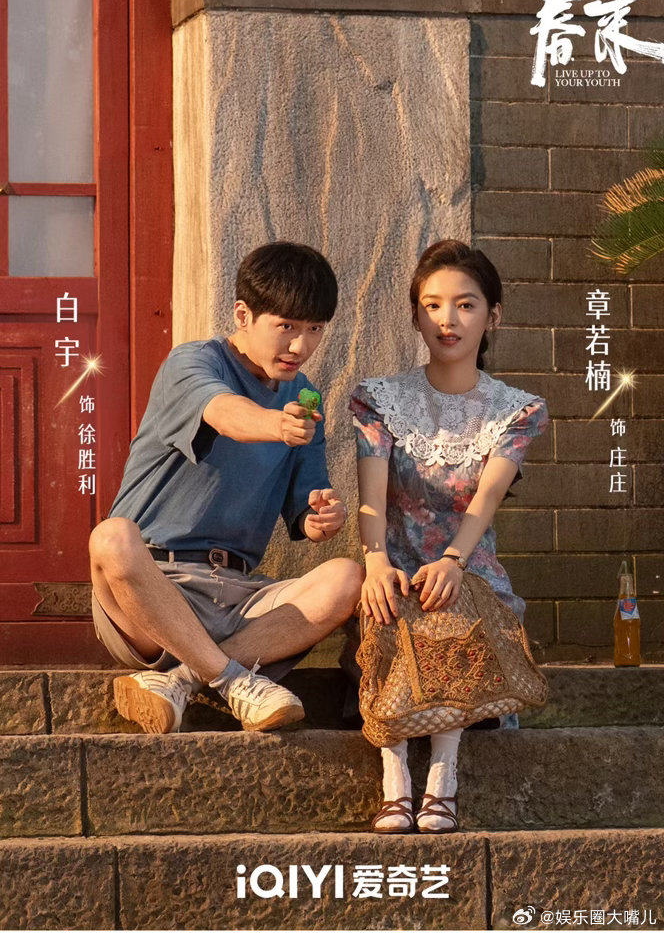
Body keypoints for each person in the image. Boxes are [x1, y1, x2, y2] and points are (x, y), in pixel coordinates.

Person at [90, 241, 362, 735]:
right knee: (111, 537)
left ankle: (182, 681)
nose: (300, 346)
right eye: (286, 326)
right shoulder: (193, 363)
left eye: (314, 329)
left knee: (346, 578)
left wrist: (321, 517)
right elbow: (223, 413)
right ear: (243, 314)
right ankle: (235, 680)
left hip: (237, 598)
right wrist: (276, 424)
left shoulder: (305, 398)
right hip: (152, 589)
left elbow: (306, 507)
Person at [349, 240, 549, 833]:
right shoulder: (377, 399)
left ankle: (442, 778)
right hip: (394, 562)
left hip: (469, 570)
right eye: (432, 305)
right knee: (390, 601)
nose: (447, 319)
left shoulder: (517, 411)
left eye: (465, 304)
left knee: (446, 601)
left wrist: (454, 561)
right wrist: (375, 562)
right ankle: (395, 782)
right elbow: (370, 496)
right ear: (415, 316)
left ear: (493, 316)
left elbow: (484, 502)